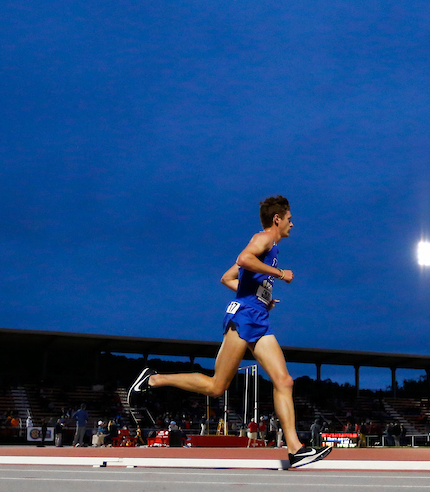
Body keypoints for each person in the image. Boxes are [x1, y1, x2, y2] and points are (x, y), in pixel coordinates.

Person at [128, 196, 331, 470]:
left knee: (284, 380)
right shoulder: (263, 239)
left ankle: (295, 450)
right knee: (216, 387)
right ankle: (154, 379)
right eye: (289, 219)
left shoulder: (269, 247)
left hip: (258, 316)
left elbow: (228, 277)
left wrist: (262, 297)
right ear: (277, 219)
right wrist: (280, 274)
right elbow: (244, 259)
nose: (292, 224)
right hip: (244, 316)